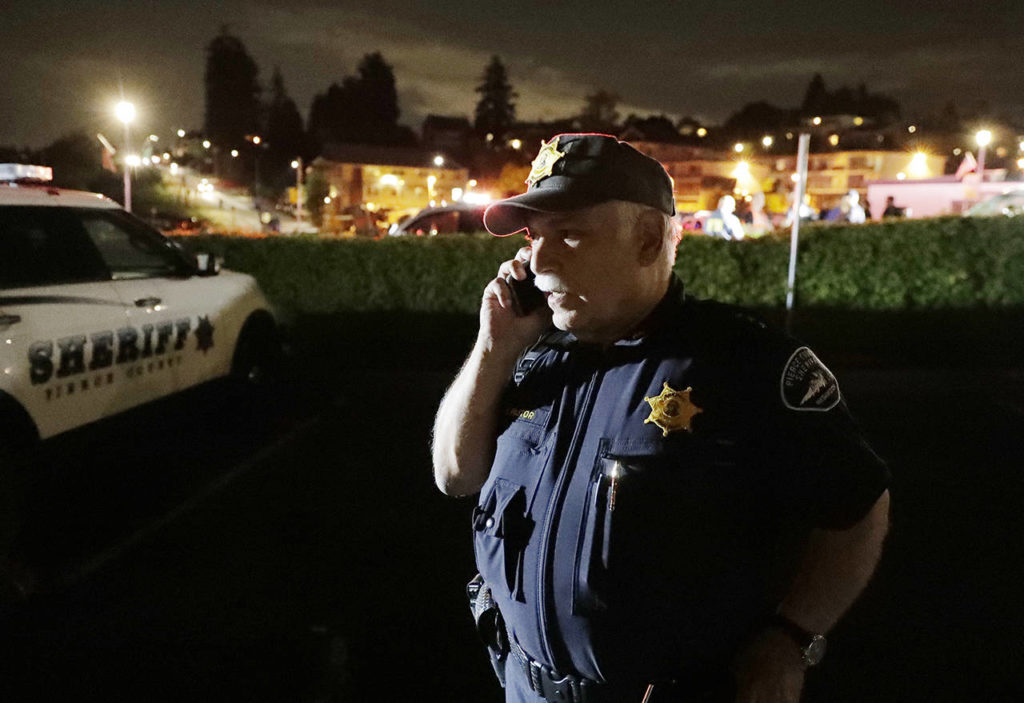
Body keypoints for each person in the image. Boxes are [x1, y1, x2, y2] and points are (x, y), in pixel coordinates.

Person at [432, 133, 890, 703]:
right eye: (535, 235)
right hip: (524, 688)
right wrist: (493, 349)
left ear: (648, 239)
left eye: (569, 232)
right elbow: (455, 475)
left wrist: (790, 638)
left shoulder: (742, 364)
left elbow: (858, 507)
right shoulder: (532, 355)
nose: (541, 260)